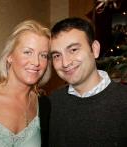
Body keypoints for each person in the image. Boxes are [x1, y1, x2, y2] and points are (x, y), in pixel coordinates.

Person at [49, 17, 127, 147]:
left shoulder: (124, 101)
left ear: (95, 49)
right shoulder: (52, 103)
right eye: (57, 55)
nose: (65, 63)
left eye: (73, 50)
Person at [0, 19, 51, 147]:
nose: (36, 62)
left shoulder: (44, 105)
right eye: (28, 52)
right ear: (10, 56)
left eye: (43, 55)